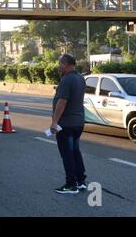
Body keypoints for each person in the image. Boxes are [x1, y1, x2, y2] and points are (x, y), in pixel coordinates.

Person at [50, 54, 87, 194]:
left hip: (66, 124)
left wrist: (54, 122)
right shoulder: (80, 78)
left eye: (60, 64)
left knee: (67, 154)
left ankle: (71, 184)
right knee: (75, 152)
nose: (59, 67)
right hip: (78, 123)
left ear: (64, 63)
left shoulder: (67, 80)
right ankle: (80, 180)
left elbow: (62, 101)